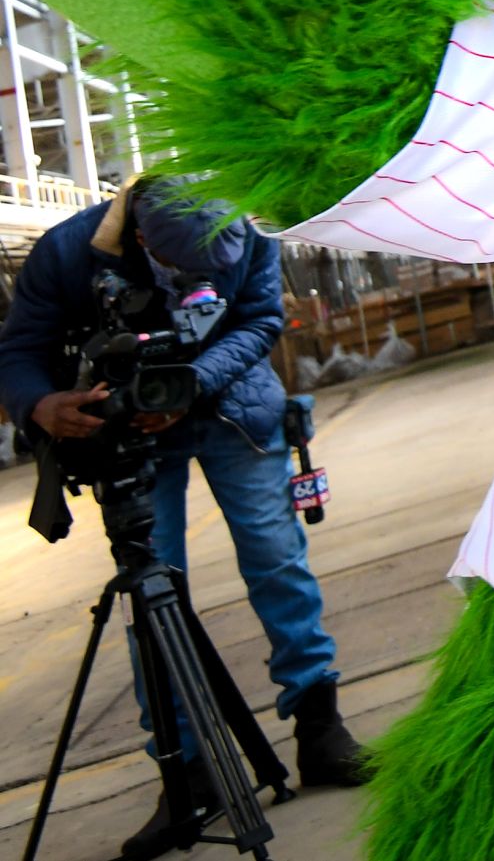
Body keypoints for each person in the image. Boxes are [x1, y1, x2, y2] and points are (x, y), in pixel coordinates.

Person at [0, 175, 367, 858]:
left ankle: (320, 728)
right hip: (130, 429)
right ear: (141, 237)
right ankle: (188, 772)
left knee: (277, 561)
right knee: (152, 592)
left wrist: (196, 380)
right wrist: (41, 406)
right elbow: (18, 350)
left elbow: (260, 318)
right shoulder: (67, 251)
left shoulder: (251, 230)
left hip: (234, 409)